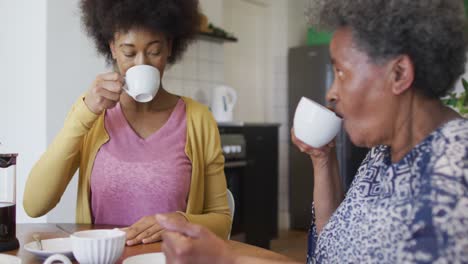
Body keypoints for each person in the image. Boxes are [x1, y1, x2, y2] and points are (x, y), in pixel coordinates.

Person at [157, 0, 468, 263]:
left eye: (342, 72)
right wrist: (323, 159)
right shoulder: (383, 154)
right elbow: (331, 247)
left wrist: (228, 258)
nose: (331, 92)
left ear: (399, 73)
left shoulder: (454, 177)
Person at [23, 0, 231, 246]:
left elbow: (222, 219)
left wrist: (181, 221)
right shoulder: (91, 113)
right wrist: (85, 113)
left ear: (169, 48)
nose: (141, 63)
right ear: (112, 47)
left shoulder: (197, 119)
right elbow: (34, 205)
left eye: (154, 51)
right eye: (129, 53)